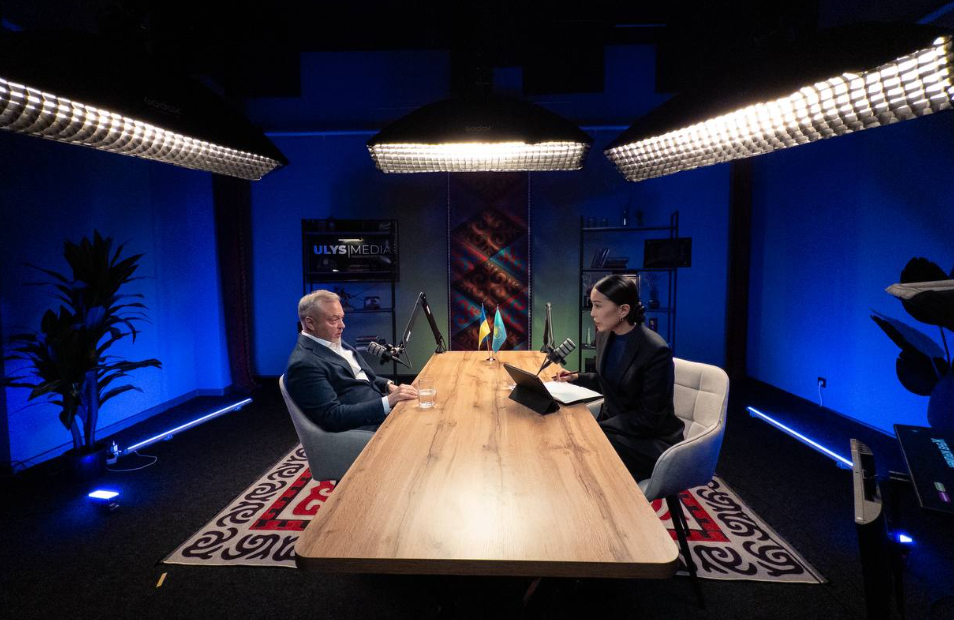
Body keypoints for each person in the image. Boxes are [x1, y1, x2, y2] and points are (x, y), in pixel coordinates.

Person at [555, 274, 684, 480]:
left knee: (579, 449)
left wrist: (598, 428)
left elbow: (650, 419)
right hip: (616, 428)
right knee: (567, 437)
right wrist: (576, 377)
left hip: (648, 440)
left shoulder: (655, 350)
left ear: (623, 310)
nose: (592, 313)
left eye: (598, 306)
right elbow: (609, 382)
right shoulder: (604, 335)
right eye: (592, 305)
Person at [285, 290, 418, 432]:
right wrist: (389, 401)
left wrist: (388, 386)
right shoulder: (304, 364)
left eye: (342, 318)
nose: (342, 325)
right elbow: (332, 417)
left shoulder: (330, 339)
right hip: (366, 427)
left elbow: (359, 375)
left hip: (379, 409)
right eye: (334, 320)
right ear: (310, 323)